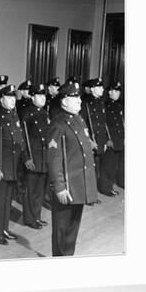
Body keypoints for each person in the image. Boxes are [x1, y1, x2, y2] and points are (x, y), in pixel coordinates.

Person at [47, 81, 98, 256]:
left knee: (72, 230)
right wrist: (59, 187)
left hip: (78, 185)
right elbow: (54, 159)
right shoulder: (58, 123)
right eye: (74, 98)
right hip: (67, 187)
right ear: (64, 101)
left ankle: (68, 260)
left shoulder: (79, 120)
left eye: (79, 98)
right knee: (62, 231)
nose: (79, 102)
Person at [0, 84, 24, 245]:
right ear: (1, 99)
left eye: (13, 97)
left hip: (13, 165)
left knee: (8, 200)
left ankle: (4, 228)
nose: (12, 100)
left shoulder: (14, 115)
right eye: (8, 97)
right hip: (2, 166)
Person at [80, 77, 116, 197]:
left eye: (102, 87)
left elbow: (103, 123)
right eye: (99, 87)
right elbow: (83, 124)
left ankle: (105, 189)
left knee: (104, 167)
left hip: (101, 140)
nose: (102, 89)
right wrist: (89, 141)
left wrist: (106, 139)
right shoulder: (85, 103)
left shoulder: (101, 102)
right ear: (93, 89)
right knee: (91, 169)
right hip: (92, 140)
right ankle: (90, 195)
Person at [20, 83, 50, 229]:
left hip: (44, 158)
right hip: (33, 158)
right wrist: (26, 158)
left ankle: (36, 217)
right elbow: (23, 139)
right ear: (32, 97)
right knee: (31, 191)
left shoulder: (45, 114)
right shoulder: (27, 114)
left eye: (44, 95)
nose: (42, 98)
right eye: (39, 95)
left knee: (40, 191)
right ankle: (29, 218)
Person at [104, 81, 124, 189]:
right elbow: (103, 124)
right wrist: (107, 139)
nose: (117, 93)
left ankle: (113, 185)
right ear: (110, 92)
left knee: (117, 163)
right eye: (115, 91)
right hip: (110, 140)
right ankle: (106, 187)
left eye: (118, 91)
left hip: (119, 139)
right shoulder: (105, 105)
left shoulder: (119, 106)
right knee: (108, 165)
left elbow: (121, 122)